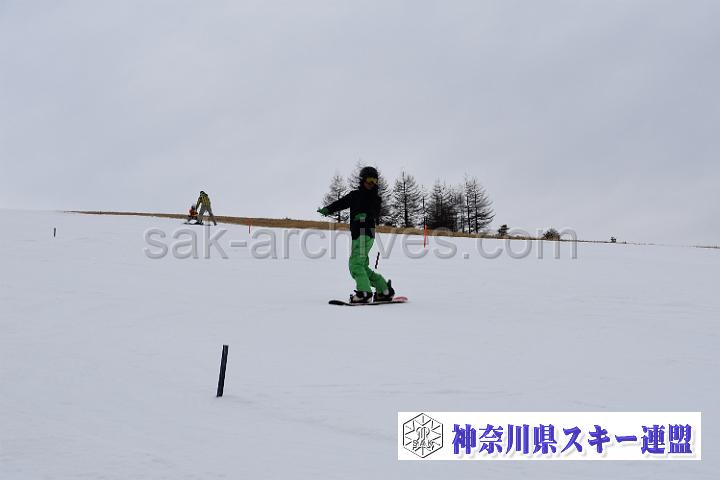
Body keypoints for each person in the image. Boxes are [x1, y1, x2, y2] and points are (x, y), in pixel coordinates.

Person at [318, 166, 395, 303]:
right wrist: (328, 209)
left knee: (355, 265)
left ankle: (364, 293)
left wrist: (366, 215)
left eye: (375, 181)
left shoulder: (375, 198)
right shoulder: (355, 195)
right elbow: (341, 203)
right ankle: (384, 290)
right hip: (360, 235)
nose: (371, 183)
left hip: (365, 233)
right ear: (363, 180)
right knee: (362, 266)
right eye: (369, 180)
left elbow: (375, 212)